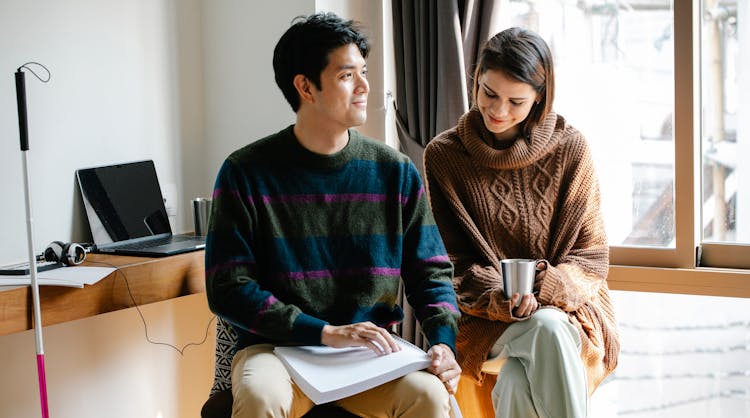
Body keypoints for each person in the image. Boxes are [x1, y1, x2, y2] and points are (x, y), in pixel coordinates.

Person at [205, 12, 461, 418]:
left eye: (363, 72)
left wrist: (443, 342)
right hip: (277, 351)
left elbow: (431, 273)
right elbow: (228, 288)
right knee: (261, 399)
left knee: (429, 396)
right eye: (347, 76)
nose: (364, 87)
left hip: (369, 355)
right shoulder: (245, 172)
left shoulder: (394, 172)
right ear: (305, 86)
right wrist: (324, 332)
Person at [423, 27, 620, 418]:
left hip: (570, 310)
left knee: (519, 374)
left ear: (540, 98)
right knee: (544, 331)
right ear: (475, 78)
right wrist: (506, 299)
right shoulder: (443, 156)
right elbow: (449, 265)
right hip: (485, 317)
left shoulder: (570, 149)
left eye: (516, 101)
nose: (498, 110)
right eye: (488, 93)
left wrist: (541, 289)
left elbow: (592, 258)